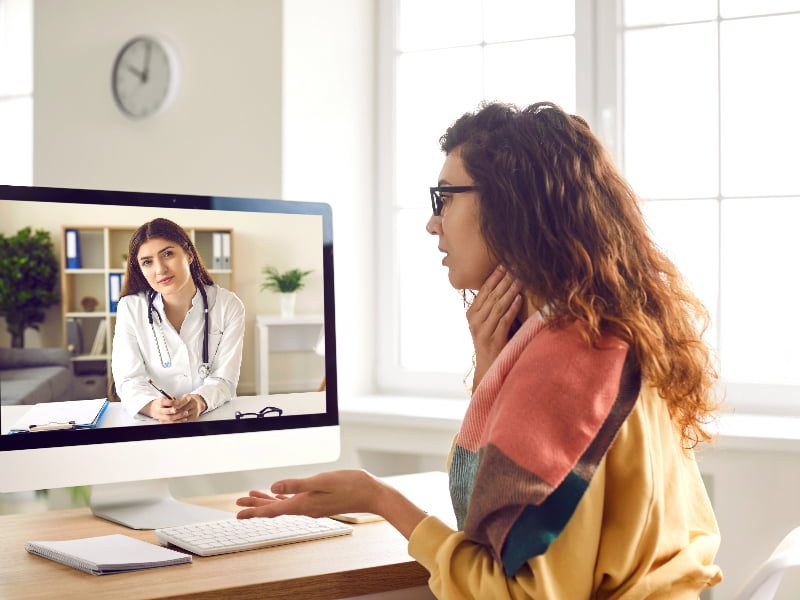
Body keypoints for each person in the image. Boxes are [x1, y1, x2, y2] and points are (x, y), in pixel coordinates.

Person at [235, 102, 723, 598]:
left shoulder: (563, 365)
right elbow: (490, 524)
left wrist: (380, 499)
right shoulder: (611, 335)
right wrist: (492, 372)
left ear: (512, 205)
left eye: (445, 197)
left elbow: (513, 593)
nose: (432, 223)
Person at [112, 218, 245, 423]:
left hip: (213, 417)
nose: (160, 269)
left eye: (168, 254)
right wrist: (152, 406)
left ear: (189, 254)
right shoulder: (130, 308)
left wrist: (200, 401)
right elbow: (129, 378)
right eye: (147, 262)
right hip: (153, 422)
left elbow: (225, 379)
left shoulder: (228, 305)